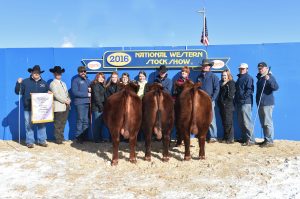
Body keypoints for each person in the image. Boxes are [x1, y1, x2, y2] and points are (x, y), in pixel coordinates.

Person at [15, 65, 50, 148]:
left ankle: (42, 141)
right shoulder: (25, 82)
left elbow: (46, 94)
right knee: (29, 125)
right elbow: (18, 92)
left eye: (38, 72)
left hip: (40, 109)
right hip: (28, 107)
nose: (36, 73)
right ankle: (30, 142)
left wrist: (49, 94)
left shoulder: (44, 83)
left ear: (40, 73)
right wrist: (18, 83)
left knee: (41, 124)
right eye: (34, 72)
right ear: (31, 72)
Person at [256, 62, 279, 147]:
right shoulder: (260, 78)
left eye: (261, 68)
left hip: (267, 104)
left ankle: (269, 141)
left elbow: (276, 87)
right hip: (260, 104)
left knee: (267, 122)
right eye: (259, 68)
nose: (260, 69)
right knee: (263, 123)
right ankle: (266, 139)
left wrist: (269, 79)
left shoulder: (270, 77)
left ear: (266, 68)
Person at [197, 59, 220, 143]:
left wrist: (212, 99)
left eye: (206, 66)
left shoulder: (214, 77)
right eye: (203, 65)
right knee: (202, 119)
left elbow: (217, 89)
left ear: (209, 67)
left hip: (210, 101)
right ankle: (204, 135)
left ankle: (213, 137)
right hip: (200, 102)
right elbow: (197, 89)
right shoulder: (199, 77)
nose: (205, 67)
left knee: (211, 119)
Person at [49, 66, 71, 144]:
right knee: (58, 123)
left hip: (66, 105)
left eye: (60, 73)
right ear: (54, 74)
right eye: (57, 73)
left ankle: (61, 137)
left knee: (63, 123)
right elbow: (56, 95)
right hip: (59, 106)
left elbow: (67, 93)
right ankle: (58, 139)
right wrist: (65, 101)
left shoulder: (63, 83)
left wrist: (69, 99)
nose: (59, 74)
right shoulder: (53, 83)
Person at [235, 63, 255, 146]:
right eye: (240, 68)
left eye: (243, 69)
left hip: (246, 102)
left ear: (247, 69)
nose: (241, 70)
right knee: (241, 122)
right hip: (239, 103)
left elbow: (250, 90)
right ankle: (244, 138)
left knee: (247, 122)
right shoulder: (239, 78)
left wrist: (243, 97)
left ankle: (251, 140)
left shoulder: (248, 78)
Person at [71, 66, 91, 144]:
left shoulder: (88, 81)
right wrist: (87, 94)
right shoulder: (75, 80)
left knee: (86, 120)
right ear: (78, 72)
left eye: (84, 71)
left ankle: (84, 136)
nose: (83, 73)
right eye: (81, 71)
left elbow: (91, 91)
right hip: (80, 103)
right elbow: (75, 92)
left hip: (87, 103)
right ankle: (78, 137)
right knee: (80, 120)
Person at [173, 66, 190, 146]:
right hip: (179, 105)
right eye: (182, 72)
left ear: (187, 74)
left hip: (187, 105)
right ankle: (179, 140)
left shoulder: (190, 82)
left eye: (185, 72)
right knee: (178, 122)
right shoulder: (177, 81)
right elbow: (174, 93)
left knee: (187, 122)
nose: (184, 73)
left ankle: (187, 140)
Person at [217, 69, 236, 144]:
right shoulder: (221, 83)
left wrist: (225, 103)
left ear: (228, 76)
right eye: (222, 75)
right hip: (222, 106)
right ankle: (225, 137)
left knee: (228, 122)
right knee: (224, 122)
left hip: (228, 106)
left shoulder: (231, 83)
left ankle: (230, 139)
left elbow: (230, 95)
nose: (223, 77)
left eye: (225, 75)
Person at [90, 72, 106, 143]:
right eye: (100, 77)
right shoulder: (96, 85)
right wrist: (101, 106)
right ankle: (96, 139)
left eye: (103, 77)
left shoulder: (101, 85)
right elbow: (96, 97)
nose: (101, 79)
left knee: (100, 124)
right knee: (97, 123)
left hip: (101, 106)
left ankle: (99, 138)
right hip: (97, 107)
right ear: (97, 78)